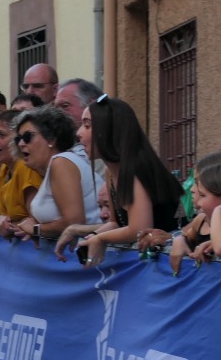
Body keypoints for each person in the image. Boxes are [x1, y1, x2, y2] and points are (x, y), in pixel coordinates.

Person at [63, 96, 184, 267]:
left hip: (170, 264)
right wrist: (91, 237)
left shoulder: (135, 169)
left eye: (87, 126)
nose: (79, 132)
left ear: (109, 131)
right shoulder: (110, 172)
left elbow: (138, 228)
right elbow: (115, 222)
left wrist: (100, 238)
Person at [7, 106, 98, 242]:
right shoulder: (55, 166)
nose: (20, 144)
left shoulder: (61, 162)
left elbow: (74, 222)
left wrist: (37, 229)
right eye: (18, 139)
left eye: (27, 137)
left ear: (51, 139)